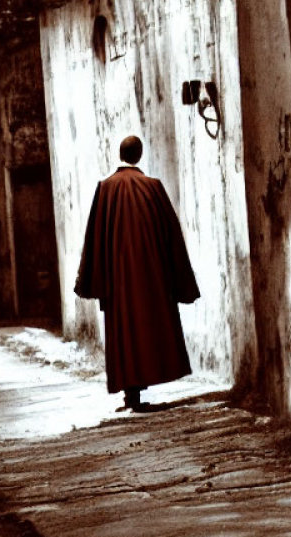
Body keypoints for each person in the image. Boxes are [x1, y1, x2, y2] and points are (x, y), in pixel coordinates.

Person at [74, 135, 199, 411]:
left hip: (117, 281)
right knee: (147, 330)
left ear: (120, 154)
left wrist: (94, 279)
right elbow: (171, 235)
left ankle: (131, 394)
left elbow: (94, 238)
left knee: (124, 334)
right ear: (139, 155)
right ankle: (141, 386)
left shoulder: (105, 189)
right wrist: (177, 279)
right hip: (150, 280)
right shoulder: (152, 188)